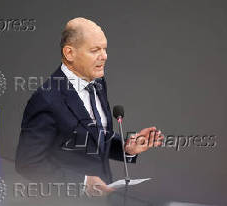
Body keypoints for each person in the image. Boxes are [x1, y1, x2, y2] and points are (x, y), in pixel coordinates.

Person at [15, 17, 163, 196]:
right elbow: (28, 163)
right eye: (95, 50)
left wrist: (126, 148)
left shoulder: (98, 83)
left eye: (105, 49)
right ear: (70, 53)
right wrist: (82, 183)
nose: (104, 56)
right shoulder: (46, 99)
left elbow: (95, 137)